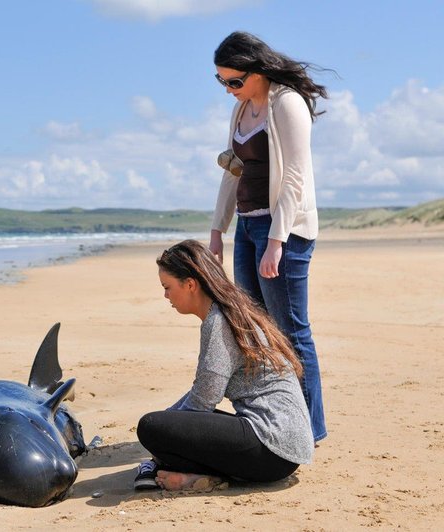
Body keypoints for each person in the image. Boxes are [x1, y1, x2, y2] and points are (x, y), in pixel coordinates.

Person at [209, 31, 330, 442]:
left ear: (257, 71)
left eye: (234, 81)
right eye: (221, 81)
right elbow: (233, 170)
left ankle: (310, 429)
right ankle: (277, 419)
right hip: (247, 226)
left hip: (286, 231)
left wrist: (277, 241)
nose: (228, 90)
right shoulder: (241, 110)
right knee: (256, 328)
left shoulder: (288, 103)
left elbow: (295, 176)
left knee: (291, 330)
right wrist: (216, 232)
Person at [133, 240, 313, 491]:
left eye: (167, 287)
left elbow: (203, 401)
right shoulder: (231, 311)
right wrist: (170, 419)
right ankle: (203, 476)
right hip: (285, 446)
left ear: (190, 284)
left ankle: (203, 474)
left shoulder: (219, 322)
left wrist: (165, 427)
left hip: (272, 447)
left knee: (150, 428)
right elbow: (203, 390)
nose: (165, 296)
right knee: (164, 428)